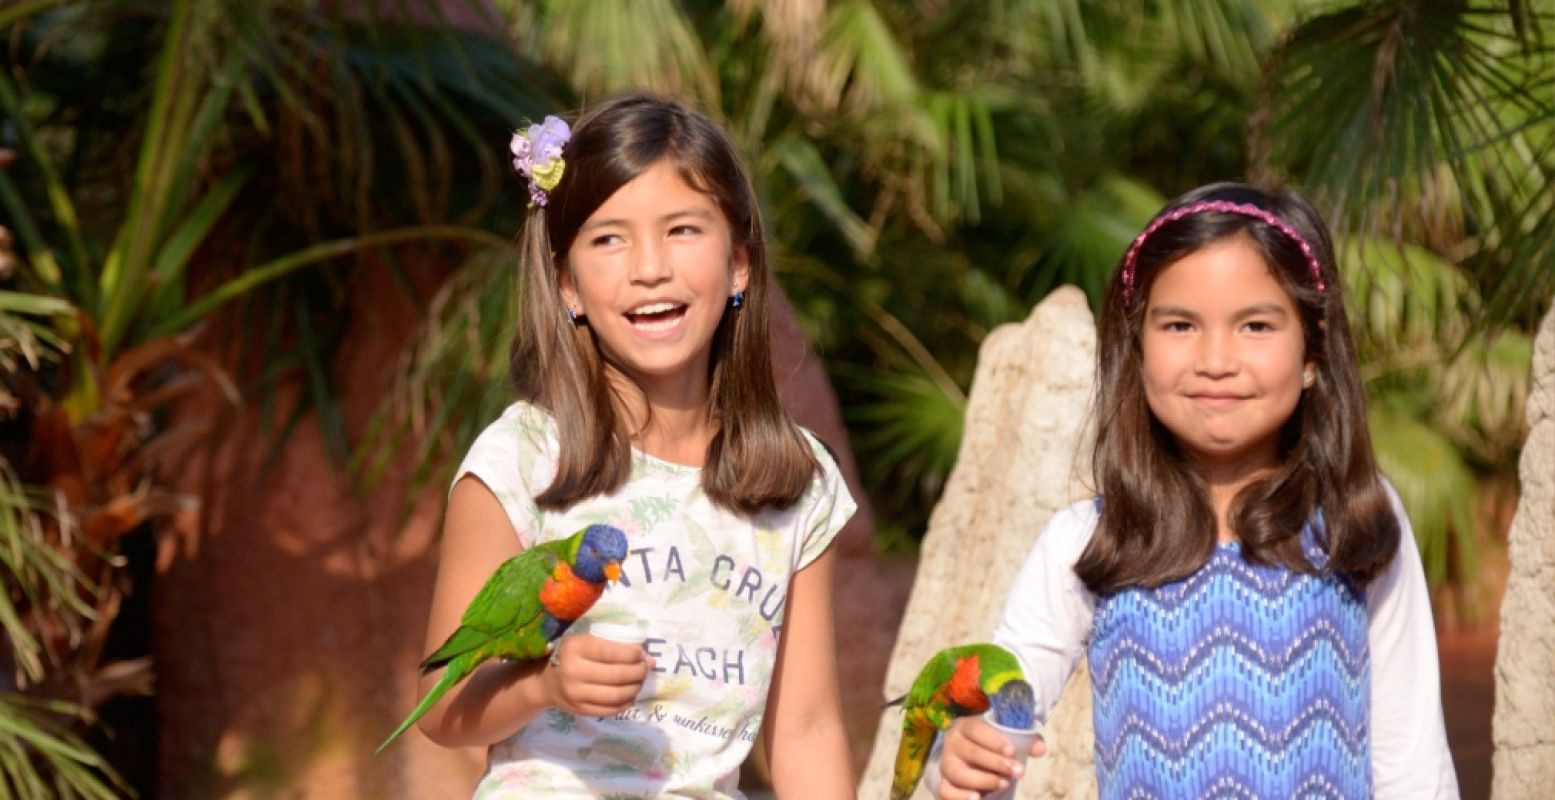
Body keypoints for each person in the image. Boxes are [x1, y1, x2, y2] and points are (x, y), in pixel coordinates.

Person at [931, 183, 1459, 799]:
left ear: (1312, 350)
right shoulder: (1092, 540)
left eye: (1255, 326)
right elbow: (1003, 711)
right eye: (1180, 325)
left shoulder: (1355, 522)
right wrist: (967, 754)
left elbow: (1413, 760)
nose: (1215, 359)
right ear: (1137, 344)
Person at [412, 93, 857, 799]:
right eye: (608, 238)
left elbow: (805, 731)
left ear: (740, 264)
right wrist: (545, 685)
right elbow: (439, 703)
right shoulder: (522, 460)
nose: (648, 266)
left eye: (682, 229)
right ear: (567, 286)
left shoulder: (800, 484)